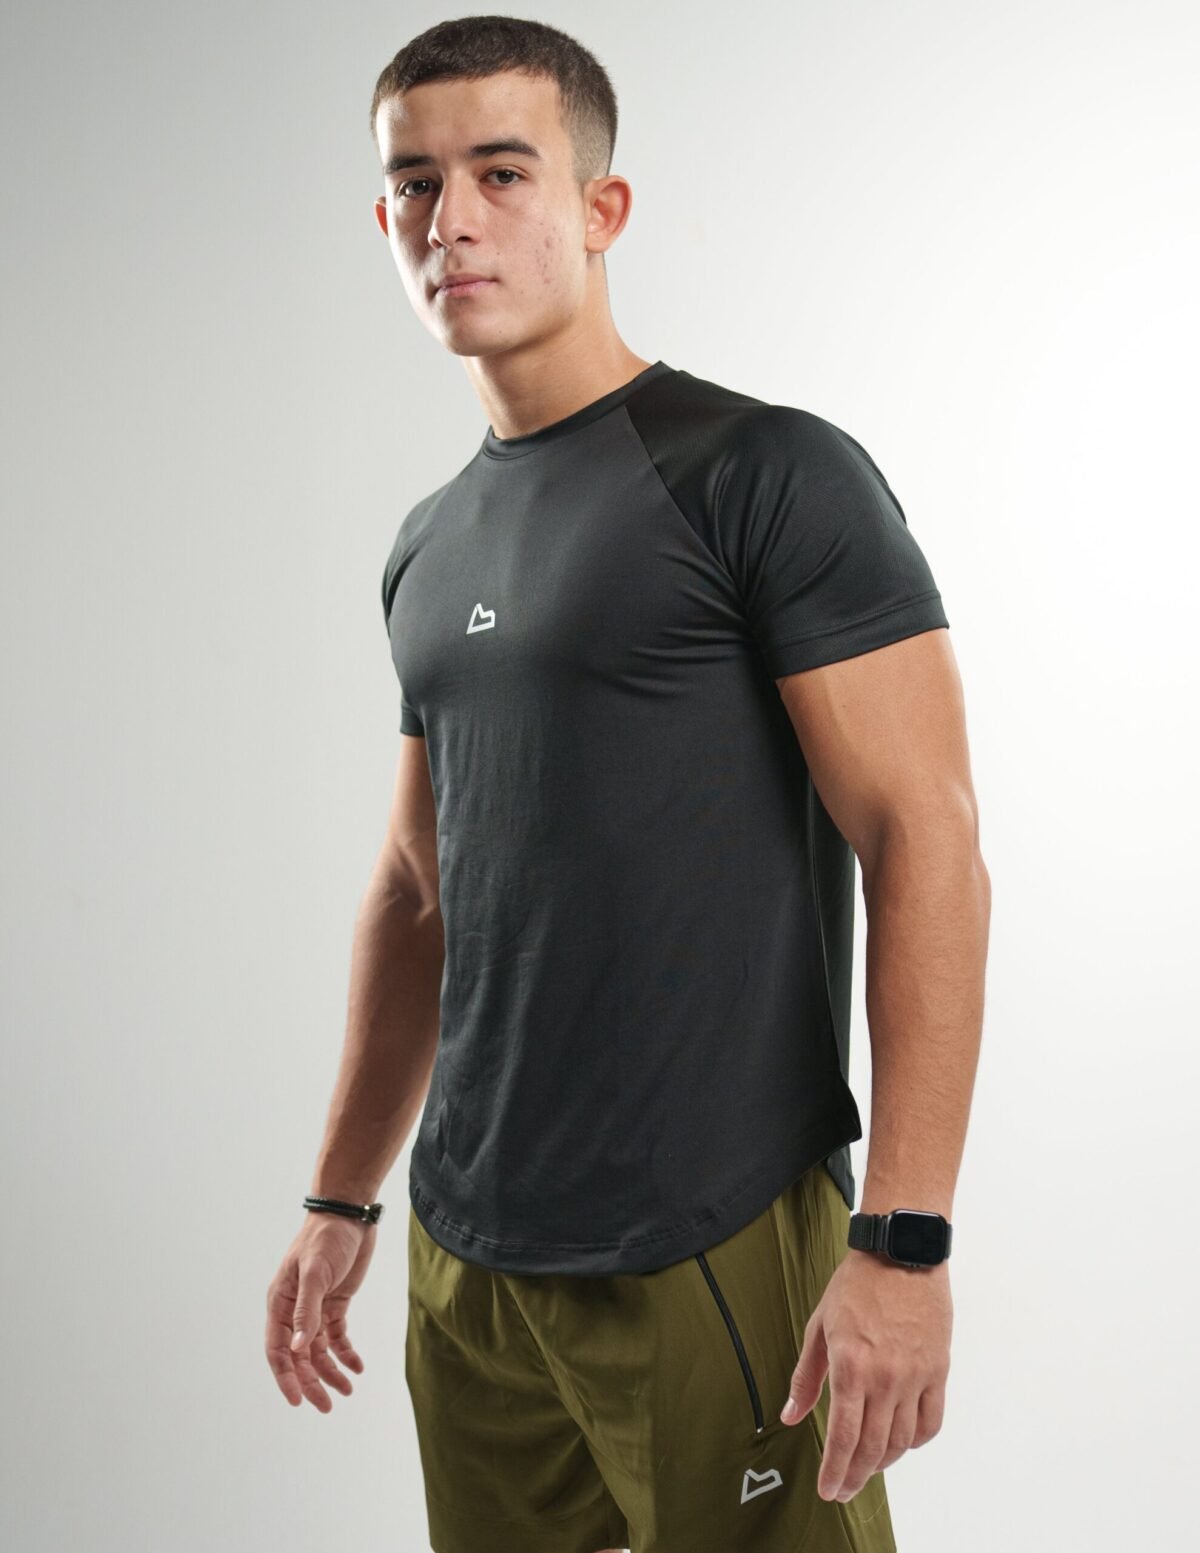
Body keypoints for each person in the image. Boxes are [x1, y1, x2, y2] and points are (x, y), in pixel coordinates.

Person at [264, 15, 990, 1553]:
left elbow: (924, 835)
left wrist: (905, 1238)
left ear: (602, 208)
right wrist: (341, 1198)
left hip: (708, 1227)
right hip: (472, 1253)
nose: (450, 220)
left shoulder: (763, 473)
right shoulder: (427, 540)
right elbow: (418, 886)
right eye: (414, 184)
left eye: (500, 172)